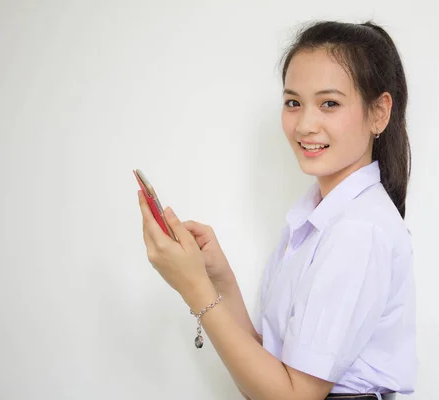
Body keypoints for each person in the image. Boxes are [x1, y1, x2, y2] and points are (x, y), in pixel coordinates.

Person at [138, 20, 416, 400]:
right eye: (293, 103)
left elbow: (294, 396)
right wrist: (220, 281)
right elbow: (268, 373)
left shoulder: (358, 229)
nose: (304, 124)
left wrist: (195, 290)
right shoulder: (315, 218)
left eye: (329, 103)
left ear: (379, 113)